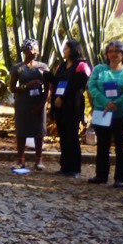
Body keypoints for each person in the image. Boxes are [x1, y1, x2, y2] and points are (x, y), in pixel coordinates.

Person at [86, 40, 123, 187]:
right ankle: (101, 175)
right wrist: (106, 102)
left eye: (117, 51)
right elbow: (91, 86)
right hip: (102, 113)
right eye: (110, 51)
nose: (113, 54)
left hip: (121, 114)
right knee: (102, 145)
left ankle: (121, 178)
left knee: (121, 145)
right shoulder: (99, 69)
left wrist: (116, 103)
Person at [50, 39, 92, 178]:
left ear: (73, 50)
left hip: (73, 104)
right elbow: (57, 82)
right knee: (63, 136)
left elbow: (78, 84)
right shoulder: (61, 66)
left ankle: (75, 168)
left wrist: (63, 97)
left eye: (66, 48)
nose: (64, 51)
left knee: (72, 135)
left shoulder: (81, 65)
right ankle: (65, 166)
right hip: (59, 104)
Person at [9, 38, 50, 171]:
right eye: (30, 50)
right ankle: (20, 159)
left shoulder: (43, 67)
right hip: (23, 102)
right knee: (22, 130)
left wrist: (43, 104)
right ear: (24, 51)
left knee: (39, 131)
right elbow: (12, 88)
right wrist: (26, 86)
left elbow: (47, 88)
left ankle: (38, 160)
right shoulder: (17, 68)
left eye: (35, 50)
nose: (33, 52)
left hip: (38, 101)